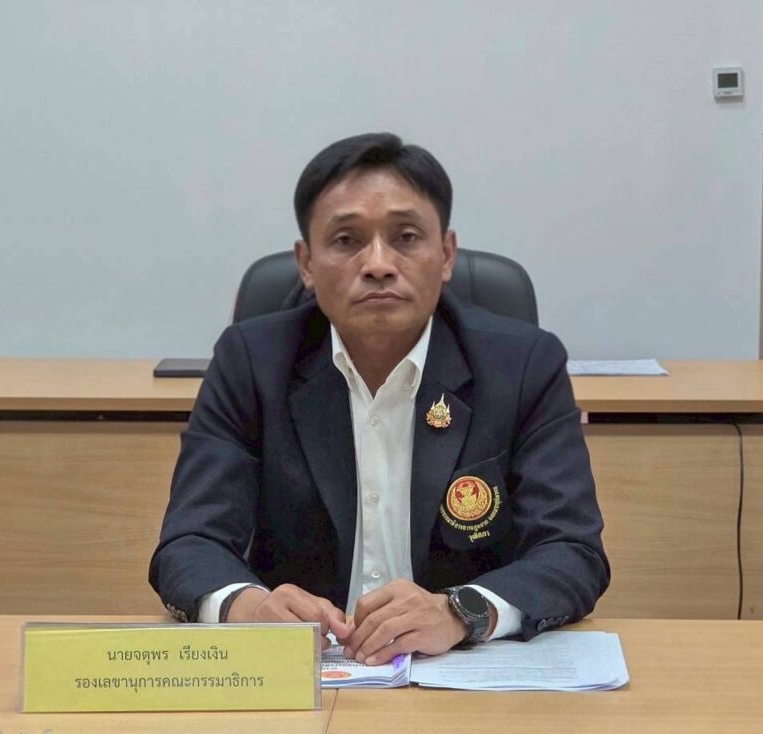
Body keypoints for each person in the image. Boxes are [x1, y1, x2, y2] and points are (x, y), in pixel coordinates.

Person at [149, 132, 609, 673]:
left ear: (447, 254)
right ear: (306, 263)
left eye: (406, 237)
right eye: (346, 240)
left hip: (462, 677)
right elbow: (188, 543)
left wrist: (461, 611)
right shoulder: (251, 361)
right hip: (303, 679)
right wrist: (249, 607)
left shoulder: (523, 364)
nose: (378, 263)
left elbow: (572, 551)